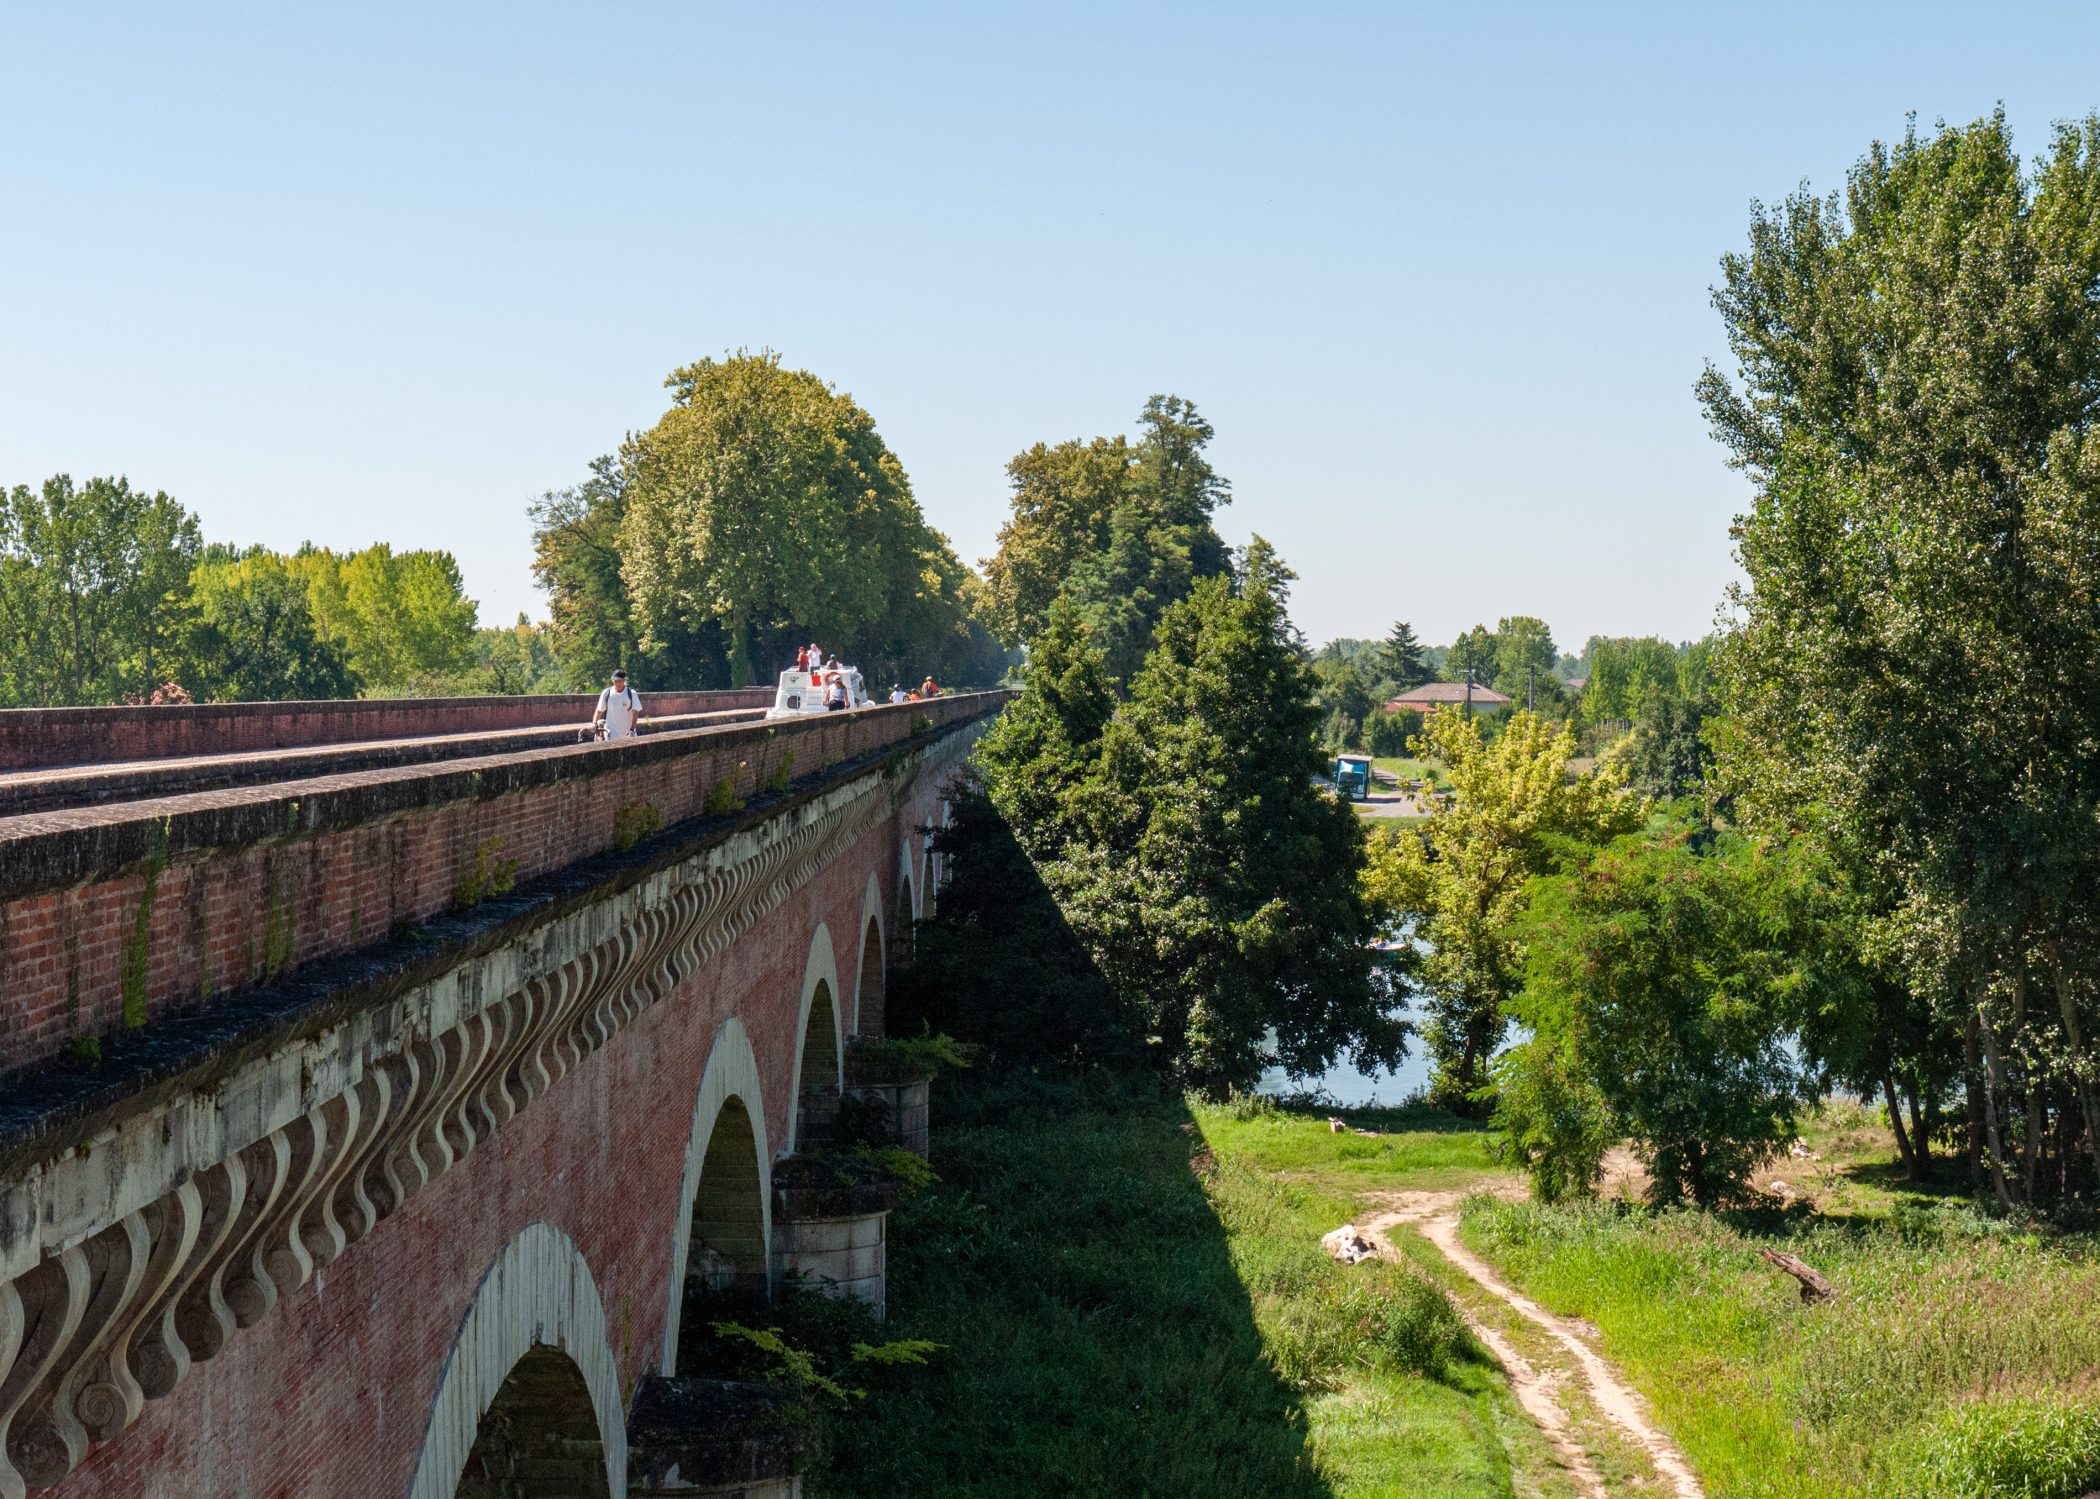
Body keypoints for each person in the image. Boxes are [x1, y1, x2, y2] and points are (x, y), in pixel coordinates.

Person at [593, 669, 645, 741]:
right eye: (615, 681)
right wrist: (594, 723)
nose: (617, 683)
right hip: (610, 734)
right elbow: (599, 710)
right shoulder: (606, 693)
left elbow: (635, 713)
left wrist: (632, 729)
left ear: (624, 680)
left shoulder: (632, 693)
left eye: (619, 681)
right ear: (612, 681)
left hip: (628, 734)